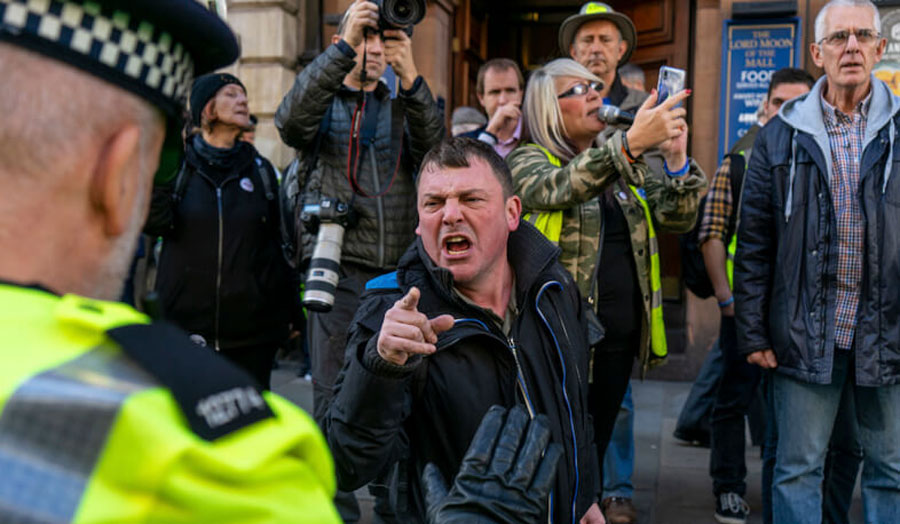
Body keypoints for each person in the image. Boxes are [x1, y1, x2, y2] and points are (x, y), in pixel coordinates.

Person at [0, 0, 341, 520]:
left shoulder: (261, 171)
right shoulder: (236, 467)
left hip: (252, 326)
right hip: (191, 320)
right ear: (118, 178)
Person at [325, 137, 605, 524]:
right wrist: (380, 366)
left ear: (512, 213)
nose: (451, 214)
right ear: (420, 225)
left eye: (471, 199)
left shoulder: (553, 287)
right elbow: (346, 465)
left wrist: (583, 495)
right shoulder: (392, 314)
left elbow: (575, 408)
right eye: (434, 203)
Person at [507, 58, 706, 523]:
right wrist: (631, 143)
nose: (597, 94)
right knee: (557, 447)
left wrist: (675, 158)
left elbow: (677, 218)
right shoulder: (527, 158)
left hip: (616, 342)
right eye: (580, 89)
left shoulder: (620, 166)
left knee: (592, 447)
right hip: (559, 342)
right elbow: (561, 186)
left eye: (598, 86)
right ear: (548, 108)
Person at [735, 1, 900, 523]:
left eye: (862, 36)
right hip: (806, 328)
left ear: (879, 48)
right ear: (817, 52)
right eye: (838, 38)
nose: (850, 47)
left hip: (889, 329)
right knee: (797, 468)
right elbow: (755, 240)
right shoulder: (779, 135)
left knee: (890, 470)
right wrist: (755, 333)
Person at [274, 0, 444, 425]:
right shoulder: (322, 103)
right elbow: (289, 122)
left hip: (398, 272)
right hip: (338, 269)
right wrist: (344, 49)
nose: (373, 48)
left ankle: (391, 492)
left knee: (398, 390)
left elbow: (435, 159)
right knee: (332, 388)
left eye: (380, 40)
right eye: (364, 37)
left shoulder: (402, 104)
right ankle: (336, 491)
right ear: (342, 43)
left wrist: (411, 77)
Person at [700, 67, 815, 524]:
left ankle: (778, 496)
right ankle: (728, 487)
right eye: (779, 103)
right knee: (733, 399)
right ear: (764, 108)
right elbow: (712, 233)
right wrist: (728, 303)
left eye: (798, 103)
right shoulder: (741, 160)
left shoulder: (820, 156)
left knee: (786, 414)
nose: (787, 112)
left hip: (801, 315)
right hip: (746, 311)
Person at [145, 73, 297, 389]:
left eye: (243, 95)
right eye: (231, 94)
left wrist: (290, 312)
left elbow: (275, 245)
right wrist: (162, 168)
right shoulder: (180, 166)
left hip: (252, 336)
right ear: (207, 109)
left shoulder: (260, 171)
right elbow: (155, 223)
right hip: (184, 329)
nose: (242, 100)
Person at [560, 2, 645, 113]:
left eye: (605, 40)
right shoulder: (559, 107)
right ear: (574, 52)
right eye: (587, 40)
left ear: (621, 50)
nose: (596, 49)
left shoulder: (644, 106)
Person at [462, 58, 525, 157]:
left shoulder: (539, 137)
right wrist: (491, 132)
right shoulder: (464, 143)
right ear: (481, 98)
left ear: (521, 94)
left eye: (510, 91)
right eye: (495, 92)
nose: (503, 100)